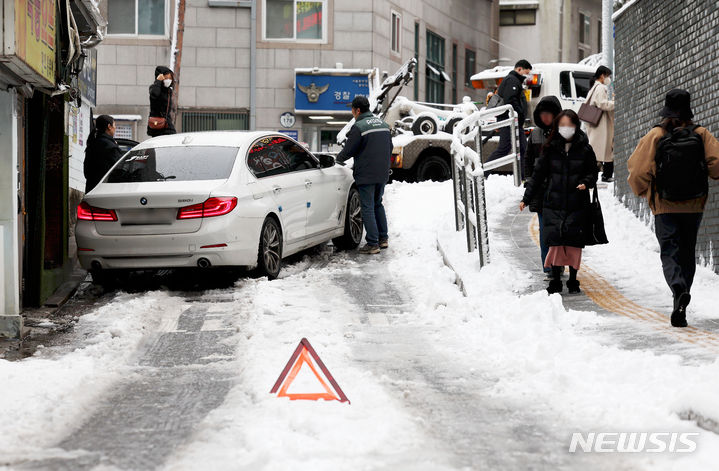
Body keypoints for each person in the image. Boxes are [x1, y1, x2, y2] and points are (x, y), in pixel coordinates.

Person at [627, 89, 719, 327]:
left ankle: (677, 288)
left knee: (670, 251)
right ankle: (683, 298)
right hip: (694, 205)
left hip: (664, 205)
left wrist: (642, 190)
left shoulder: (656, 135)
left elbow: (637, 171)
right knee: (687, 252)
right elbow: (717, 165)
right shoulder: (701, 134)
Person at [520, 110, 598, 294]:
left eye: (570, 125)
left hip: (576, 202)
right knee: (555, 241)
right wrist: (526, 198)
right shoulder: (550, 148)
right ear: (557, 126)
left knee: (573, 243)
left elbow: (593, 173)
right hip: (553, 201)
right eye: (562, 125)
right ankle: (555, 278)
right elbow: (538, 175)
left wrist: (586, 183)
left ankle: (573, 279)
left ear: (576, 126)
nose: (566, 129)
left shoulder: (585, 149)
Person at [337, 96, 392, 255]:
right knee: (377, 204)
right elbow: (390, 146)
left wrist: (337, 160)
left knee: (367, 207)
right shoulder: (383, 124)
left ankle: (372, 243)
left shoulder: (359, 126)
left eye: (352, 110)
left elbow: (349, 150)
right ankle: (383, 238)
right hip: (382, 173)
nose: (352, 113)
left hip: (366, 174)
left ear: (358, 110)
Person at [524, 95, 562, 278]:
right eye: (542, 114)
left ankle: (559, 263)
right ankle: (548, 266)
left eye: (549, 114)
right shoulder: (535, 134)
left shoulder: (565, 132)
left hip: (561, 191)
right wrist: (528, 181)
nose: (546, 117)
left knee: (561, 230)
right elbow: (528, 160)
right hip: (542, 192)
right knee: (545, 229)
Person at [487, 59, 532, 172]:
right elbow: (510, 100)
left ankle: (524, 176)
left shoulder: (513, 80)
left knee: (522, 148)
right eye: (526, 73)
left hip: (512, 120)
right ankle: (483, 172)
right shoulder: (512, 80)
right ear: (519, 69)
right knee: (506, 148)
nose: (527, 76)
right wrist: (520, 114)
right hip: (510, 120)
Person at [585, 65, 615, 182]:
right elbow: (602, 104)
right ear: (602, 75)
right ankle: (606, 175)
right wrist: (614, 103)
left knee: (598, 151)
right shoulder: (600, 87)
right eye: (608, 76)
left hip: (596, 123)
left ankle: (599, 174)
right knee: (607, 150)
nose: (609, 79)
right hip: (601, 124)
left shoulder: (594, 87)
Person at [83, 115, 122, 193]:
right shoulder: (110, 146)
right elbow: (119, 170)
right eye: (114, 125)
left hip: (91, 189)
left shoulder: (93, 143)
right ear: (109, 126)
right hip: (106, 190)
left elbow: (86, 171)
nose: (115, 128)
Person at [148, 66, 177, 137]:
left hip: (167, 124)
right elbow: (154, 94)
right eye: (166, 78)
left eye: (170, 78)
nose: (169, 80)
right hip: (157, 123)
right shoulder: (154, 88)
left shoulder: (168, 91)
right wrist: (158, 81)